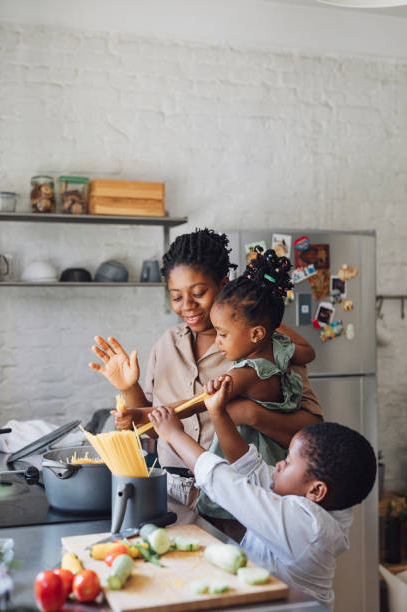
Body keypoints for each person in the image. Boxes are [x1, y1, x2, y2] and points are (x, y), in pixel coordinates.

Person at [89, 229, 323, 533]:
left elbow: (312, 431)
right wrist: (128, 387)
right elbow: (152, 427)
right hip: (171, 498)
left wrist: (250, 414)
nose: (186, 305)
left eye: (199, 293)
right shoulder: (167, 344)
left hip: (239, 500)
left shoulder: (262, 345)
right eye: (176, 296)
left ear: (223, 285)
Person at [148, 379, 377, 610]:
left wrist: (175, 435)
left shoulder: (309, 527)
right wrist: (217, 412)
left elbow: (230, 487)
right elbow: (250, 468)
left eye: (288, 462)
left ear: (316, 490)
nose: (278, 465)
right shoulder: (308, 502)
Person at [196, 246, 315, 520]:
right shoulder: (278, 349)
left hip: (247, 481)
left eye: (223, 334)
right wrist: (268, 322)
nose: (218, 341)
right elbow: (309, 351)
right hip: (273, 475)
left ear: (256, 333)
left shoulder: (249, 372)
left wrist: (157, 415)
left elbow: (199, 402)